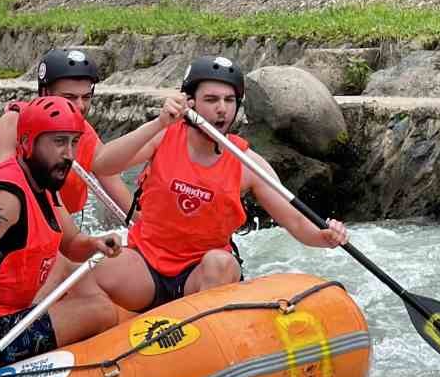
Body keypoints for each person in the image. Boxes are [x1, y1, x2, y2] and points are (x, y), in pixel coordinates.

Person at [90, 55, 349, 312]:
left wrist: (323, 236)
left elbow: (295, 221)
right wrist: (158, 123)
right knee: (96, 267)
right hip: (146, 265)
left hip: (200, 274)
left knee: (220, 262)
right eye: (211, 100)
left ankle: (204, 331)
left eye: (229, 100)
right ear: (190, 103)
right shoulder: (162, 136)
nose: (222, 108)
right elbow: (103, 166)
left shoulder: (248, 163)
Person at [0, 96, 123, 376]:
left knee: (68, 265)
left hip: (4, 315)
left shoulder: (43, 184)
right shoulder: (6, 198)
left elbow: (71, 245)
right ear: (27, 144)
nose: (69, 154)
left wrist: (96, 244)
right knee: (100, 311)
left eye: (74, 142)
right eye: (58, 142)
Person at [0, 48, 135, 218]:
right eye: (69, 97)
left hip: (61, 227)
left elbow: (108, 171)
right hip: (20, 224)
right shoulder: (12, 125)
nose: (80, 106)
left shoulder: (83, 131)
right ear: (45, 93)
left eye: (86, 97)